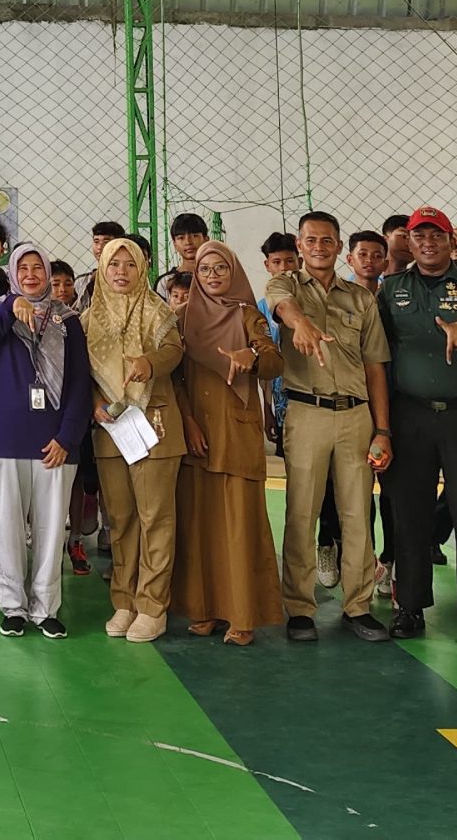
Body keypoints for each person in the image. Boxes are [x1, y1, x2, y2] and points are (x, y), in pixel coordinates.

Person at [371, 205, 457, 646]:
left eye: (437, 235)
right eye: (419, 236)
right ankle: (409, 607)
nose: (428, 243)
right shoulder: (391, 289)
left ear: (451, 241)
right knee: (409, 513)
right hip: (410, 415)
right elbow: (375, 350)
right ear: (408, 242)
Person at [265, 211, 391, 643]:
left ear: (339, 247)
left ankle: (358, 605)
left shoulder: (360, 299)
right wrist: (300, 323)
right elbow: (280, 305)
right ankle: (300, 608)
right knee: (302, 512)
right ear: (299, 246)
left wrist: (382, 429)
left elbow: (375, 366)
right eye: (311, 240)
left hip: (356, 415)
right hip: (307, 412)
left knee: (357, 513)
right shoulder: (286, 285)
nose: (319, 247)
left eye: (327, 240)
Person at [173, 241, 281, 645]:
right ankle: (203, 610)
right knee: (200, 524)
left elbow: (275, 361)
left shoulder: (248, 315)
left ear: (233, 271)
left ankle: (242, 615)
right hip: (197, 433)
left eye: (221, 268)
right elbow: (175, 377)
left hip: (237, 432)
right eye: (205, 270)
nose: (213, 276)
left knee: (239, 526)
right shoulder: (182, 317)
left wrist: (252, 356)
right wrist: (187, 422)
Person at [0, 242, 88, 639]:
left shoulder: (68, 321)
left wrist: (67, 437)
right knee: (7, 527)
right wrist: (13, 304)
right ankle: (13, 607)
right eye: (22, 268)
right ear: (12, 274)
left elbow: (80, 384)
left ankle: (46, 608)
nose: (30, 275)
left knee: (51, 529)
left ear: (47, 273)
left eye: (36, 268)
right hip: (4, 439)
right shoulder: (0, 312)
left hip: (54, 444)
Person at [82, 236, 183, 643]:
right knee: (120, 520)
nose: (121, 272)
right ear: (102, 269)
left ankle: (152, 606)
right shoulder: (88, 320)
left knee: (155, 519)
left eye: (130, 264)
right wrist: (95, 402)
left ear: (142, 269)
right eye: (114, 264)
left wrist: (149, 362)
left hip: (155, 426)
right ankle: (123, 601)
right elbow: (80, 374)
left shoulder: (159, 311)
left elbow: (174, 351)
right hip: (111, 431)